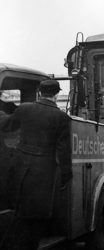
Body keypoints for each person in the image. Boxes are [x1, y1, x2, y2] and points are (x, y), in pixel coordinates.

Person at [0, 79, 72, 250]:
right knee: (37, 217)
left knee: (20, 213)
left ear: (39, 92)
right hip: (44, 171)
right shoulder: (62, 117)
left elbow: (6, 125)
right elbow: (63, 151)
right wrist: (65, 176)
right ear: (56, 94)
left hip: (21, 166)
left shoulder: (24, 109)